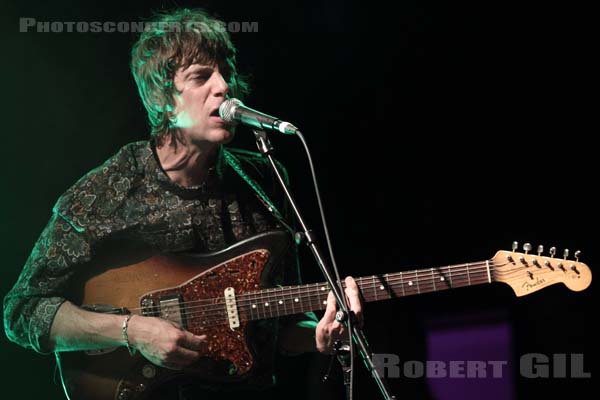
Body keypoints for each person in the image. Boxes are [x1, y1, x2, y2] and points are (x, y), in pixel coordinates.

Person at [3, 8, 362, 400]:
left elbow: (280, 326)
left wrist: (318, 335)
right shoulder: (107, 190)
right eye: (201, 76)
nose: (224, 86)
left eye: (226, 72)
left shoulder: (262, 181)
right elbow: (22, 312)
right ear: (162, 99)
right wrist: (133, 331)